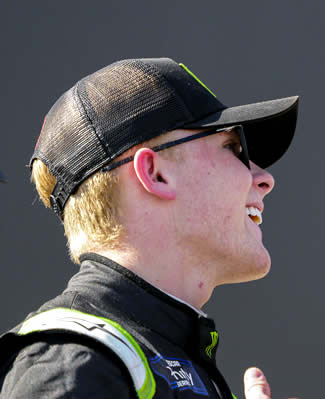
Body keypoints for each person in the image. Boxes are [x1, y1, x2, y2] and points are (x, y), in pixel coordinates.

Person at [0, 58, 299, 399]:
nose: (265, 179)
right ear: (155, 174)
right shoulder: (70, 362)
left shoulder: (162, 351)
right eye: (231, 146)